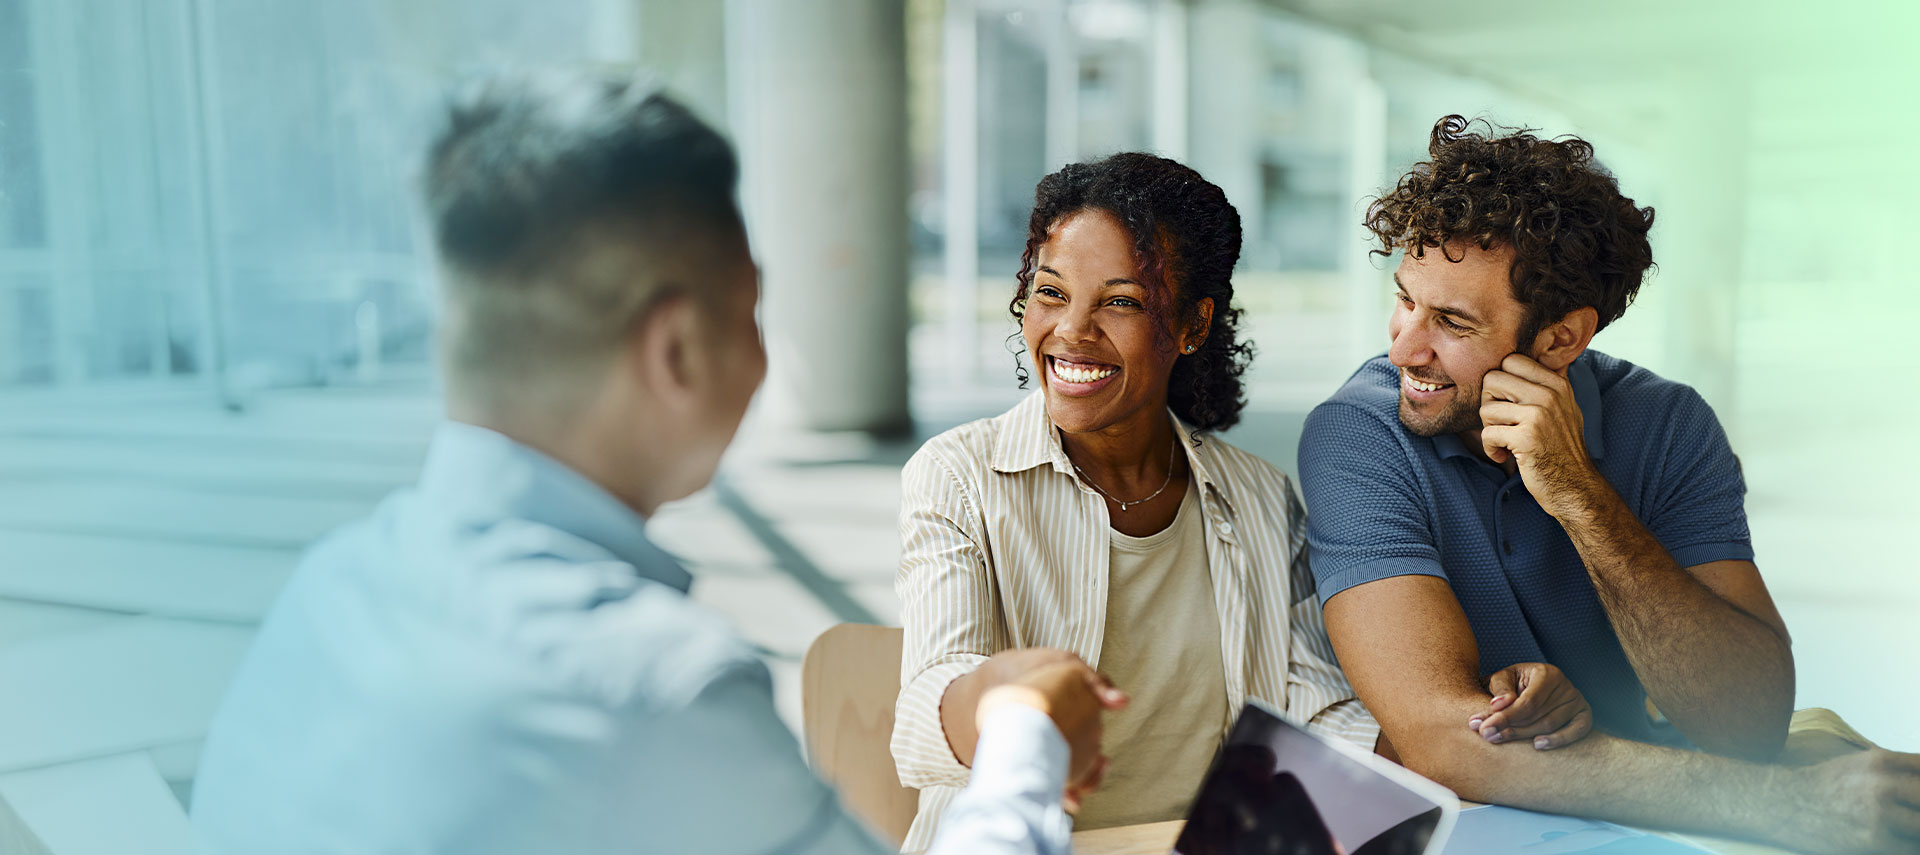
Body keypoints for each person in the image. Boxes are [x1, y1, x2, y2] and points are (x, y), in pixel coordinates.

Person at [189, 71, 1125, 855]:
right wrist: (1025, 738)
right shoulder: (651, 689)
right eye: (754, 310)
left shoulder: (327, 586)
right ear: (675, 349)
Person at [890, 152, 1586, 848]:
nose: (1071, 329)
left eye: (1121, 301)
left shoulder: (1257, 496)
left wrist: (1482, 726)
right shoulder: (958, 477)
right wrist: (1002, 695)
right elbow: (922, 717)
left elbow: (1318, 715)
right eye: (1049, 292)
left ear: (1193, 325)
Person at [1297, 114, 1920, 853]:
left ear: (1561, 337)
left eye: (1452, 322)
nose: (1403, 345)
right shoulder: (1356, 433)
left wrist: (1579, 494)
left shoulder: (1667, 423)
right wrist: (1779, 803)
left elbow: (1746, 721)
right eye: (1405, 298)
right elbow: (1441, 737)